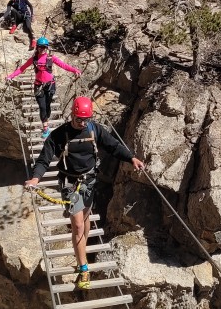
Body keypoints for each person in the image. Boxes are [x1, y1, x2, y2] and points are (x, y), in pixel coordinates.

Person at [24, 96, 145, 290]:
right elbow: (43, 159)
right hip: (70, 185)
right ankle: (83, 268)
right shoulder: (59, 135)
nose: (82, 123)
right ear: (72, 114)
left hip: (89, 182)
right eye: (79, 119)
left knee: (86, 218)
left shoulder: (94, 130)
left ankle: (81, 249)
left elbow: (113, 146)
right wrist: (36, 178)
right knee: (78, 226)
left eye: (85, 120)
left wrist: (131, 158)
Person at [5, 37, 81, 136]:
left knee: (47, 106)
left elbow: (63, 65)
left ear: (47, 48)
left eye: (44, 47)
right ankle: (45, 128)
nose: (42, 49)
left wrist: (75, 70)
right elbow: (22, 68)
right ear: (37, 47)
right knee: (42, 107)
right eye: (40, 47)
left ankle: (46, 118)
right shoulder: (34, 59)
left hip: (50, 85)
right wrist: (11, 76)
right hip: (38, 86)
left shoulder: (51, 58)